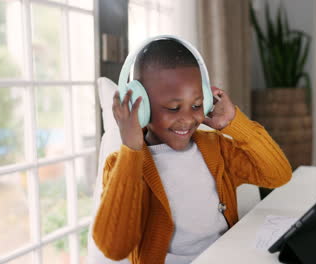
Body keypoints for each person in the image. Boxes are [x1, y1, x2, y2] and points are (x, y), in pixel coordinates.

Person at [91, 38, 292, 264]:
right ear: (141, 107)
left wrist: (236, 123)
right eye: (173, 108)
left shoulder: (216, 148)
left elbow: (278, 174)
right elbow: (115, 246)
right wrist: (131, 150)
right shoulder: (121, 165)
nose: (188, 118)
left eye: (197, 105)